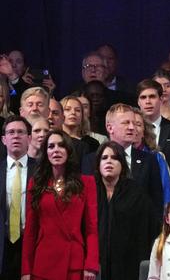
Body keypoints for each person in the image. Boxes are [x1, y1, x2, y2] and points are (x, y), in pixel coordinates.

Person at [22, 130, 99, 279]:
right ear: (46, 153)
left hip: (74, 264)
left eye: (61, 146)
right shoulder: (36, 184)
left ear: (69, 151)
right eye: (51, 146)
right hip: (43, 264)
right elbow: (31, 230)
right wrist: (26, 269)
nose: (56, 150)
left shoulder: (86, 183)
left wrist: (91, 264)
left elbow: (91, 229)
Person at [95, 141, 156, 280]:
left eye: (115, 158)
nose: (109, 161)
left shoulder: (136, 193)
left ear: (122, 164)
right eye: (104, 158)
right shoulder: (89, 191)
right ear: (98, 164)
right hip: (95, 265)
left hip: (128, 265)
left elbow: (147, 231)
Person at [137, 79, 170, 196]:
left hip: (169, 197)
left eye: (152, 96)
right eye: (143, 97)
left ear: (161, 99)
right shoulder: (133, 132)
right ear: (138, 102)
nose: (148, 101)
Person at [1, 116, 38, 278]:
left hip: (31, 243)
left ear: (29, 138)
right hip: (3, 244)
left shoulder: (41, 170)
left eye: (20, 132)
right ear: (4, 139)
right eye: (11, 132)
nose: (15, 136)